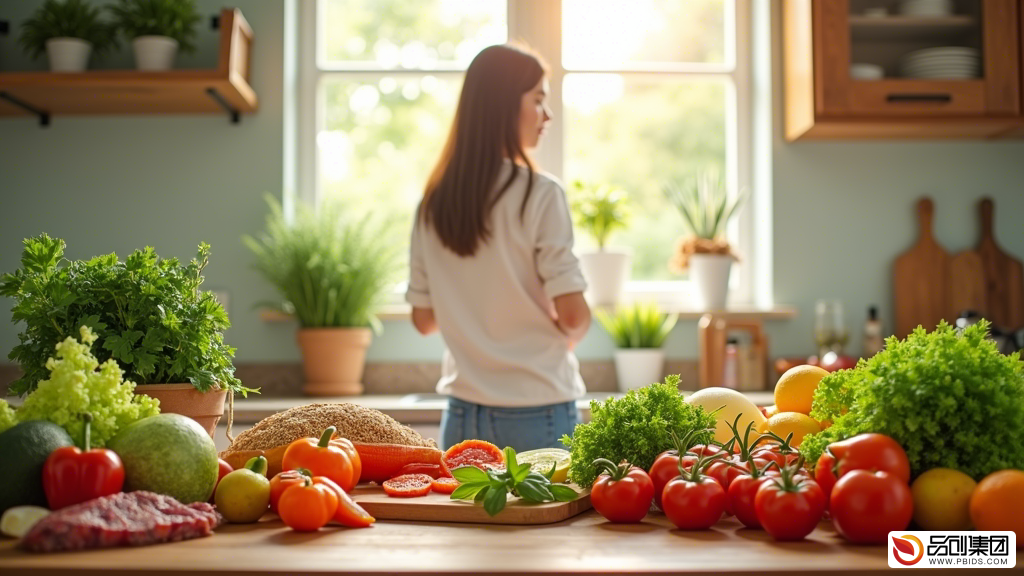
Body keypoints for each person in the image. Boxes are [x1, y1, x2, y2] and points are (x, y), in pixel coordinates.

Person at [406, 44, 591, 452]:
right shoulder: (539, 193)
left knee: (469, 519)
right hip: (539, 409)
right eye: (538, 100)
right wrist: (566, 331)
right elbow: (575, 314)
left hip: (462, 414)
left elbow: (424, 319)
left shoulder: (433, 203)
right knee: (546, 518)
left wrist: (472, 315)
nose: (548, 114)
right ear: (505, 107)